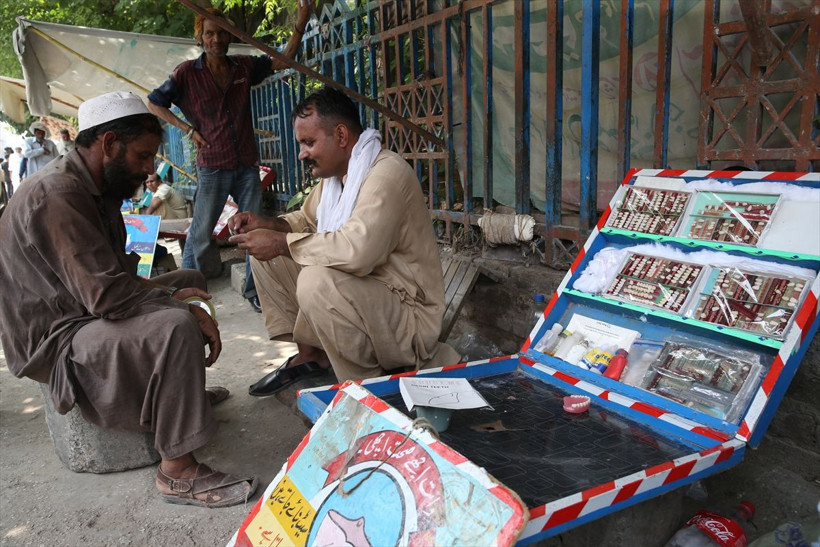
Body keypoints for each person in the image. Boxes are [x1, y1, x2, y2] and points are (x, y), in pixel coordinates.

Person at [0, 91, 256, 508]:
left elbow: (114, 279)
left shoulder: (95, 187)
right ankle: (177, 470)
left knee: (188, 277)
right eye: (142, 156)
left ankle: (177, 403)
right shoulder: (60, 195)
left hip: (82, 308)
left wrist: (174, 293)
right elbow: (106, 297)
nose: (148, 168)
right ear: (109, 145)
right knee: (175, 324)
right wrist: (180, 307)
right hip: (57, 336)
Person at [228, 86, 460, 395]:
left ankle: (366, 385)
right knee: (266, 259)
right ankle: (312, 355)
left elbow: (357, 252)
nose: (302, 154)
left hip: (408, 315)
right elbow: (306, 221)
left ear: (340, 136)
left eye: (309, 143)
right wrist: (267, 225)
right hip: (371, 295)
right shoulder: (335, 178)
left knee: (315, 281)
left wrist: (281, 243)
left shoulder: (385, 174)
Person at [147, 2, 312, 314]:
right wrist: (187, 128)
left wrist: (301, 21)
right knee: (200, 234)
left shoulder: (242, 67)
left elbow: (283, 60)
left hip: (246, 165)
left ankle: (255, 291)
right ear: (200, 38)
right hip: (212, 165)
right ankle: (191, 299)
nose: (216, 40)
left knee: (253, 229)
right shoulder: (186, 74)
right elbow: (155, 103)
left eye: (222, 34)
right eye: (210, 34)